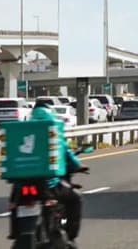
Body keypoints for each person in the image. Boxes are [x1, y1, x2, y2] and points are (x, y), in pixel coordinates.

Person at [27, 102, 88, 241]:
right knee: (76, 198)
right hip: (50, 185)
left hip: (22, 185)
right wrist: (79, 166)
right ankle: (70, 235)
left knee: (16, 203)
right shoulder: (53, 133)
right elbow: (68, 155)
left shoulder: (23, 132)